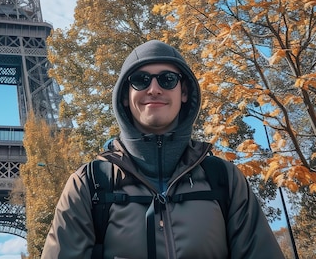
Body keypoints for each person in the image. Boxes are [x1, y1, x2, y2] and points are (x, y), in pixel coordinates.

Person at [42, 40, 285, 259]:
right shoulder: (89, 185)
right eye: (140, 80)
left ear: (185, 92)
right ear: (126, 96)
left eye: (167, 79)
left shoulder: (225, 179)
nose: (154, 89)